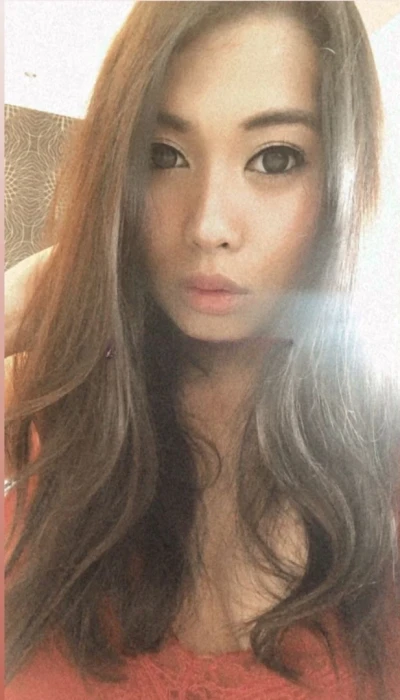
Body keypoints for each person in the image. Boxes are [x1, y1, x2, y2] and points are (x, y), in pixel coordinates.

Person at [4, 2, 400, 698]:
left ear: (344, 177)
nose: (209, 223)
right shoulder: (37, 405)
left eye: (275, 159)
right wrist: (26, 298)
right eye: (164, 155)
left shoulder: (382, 453)